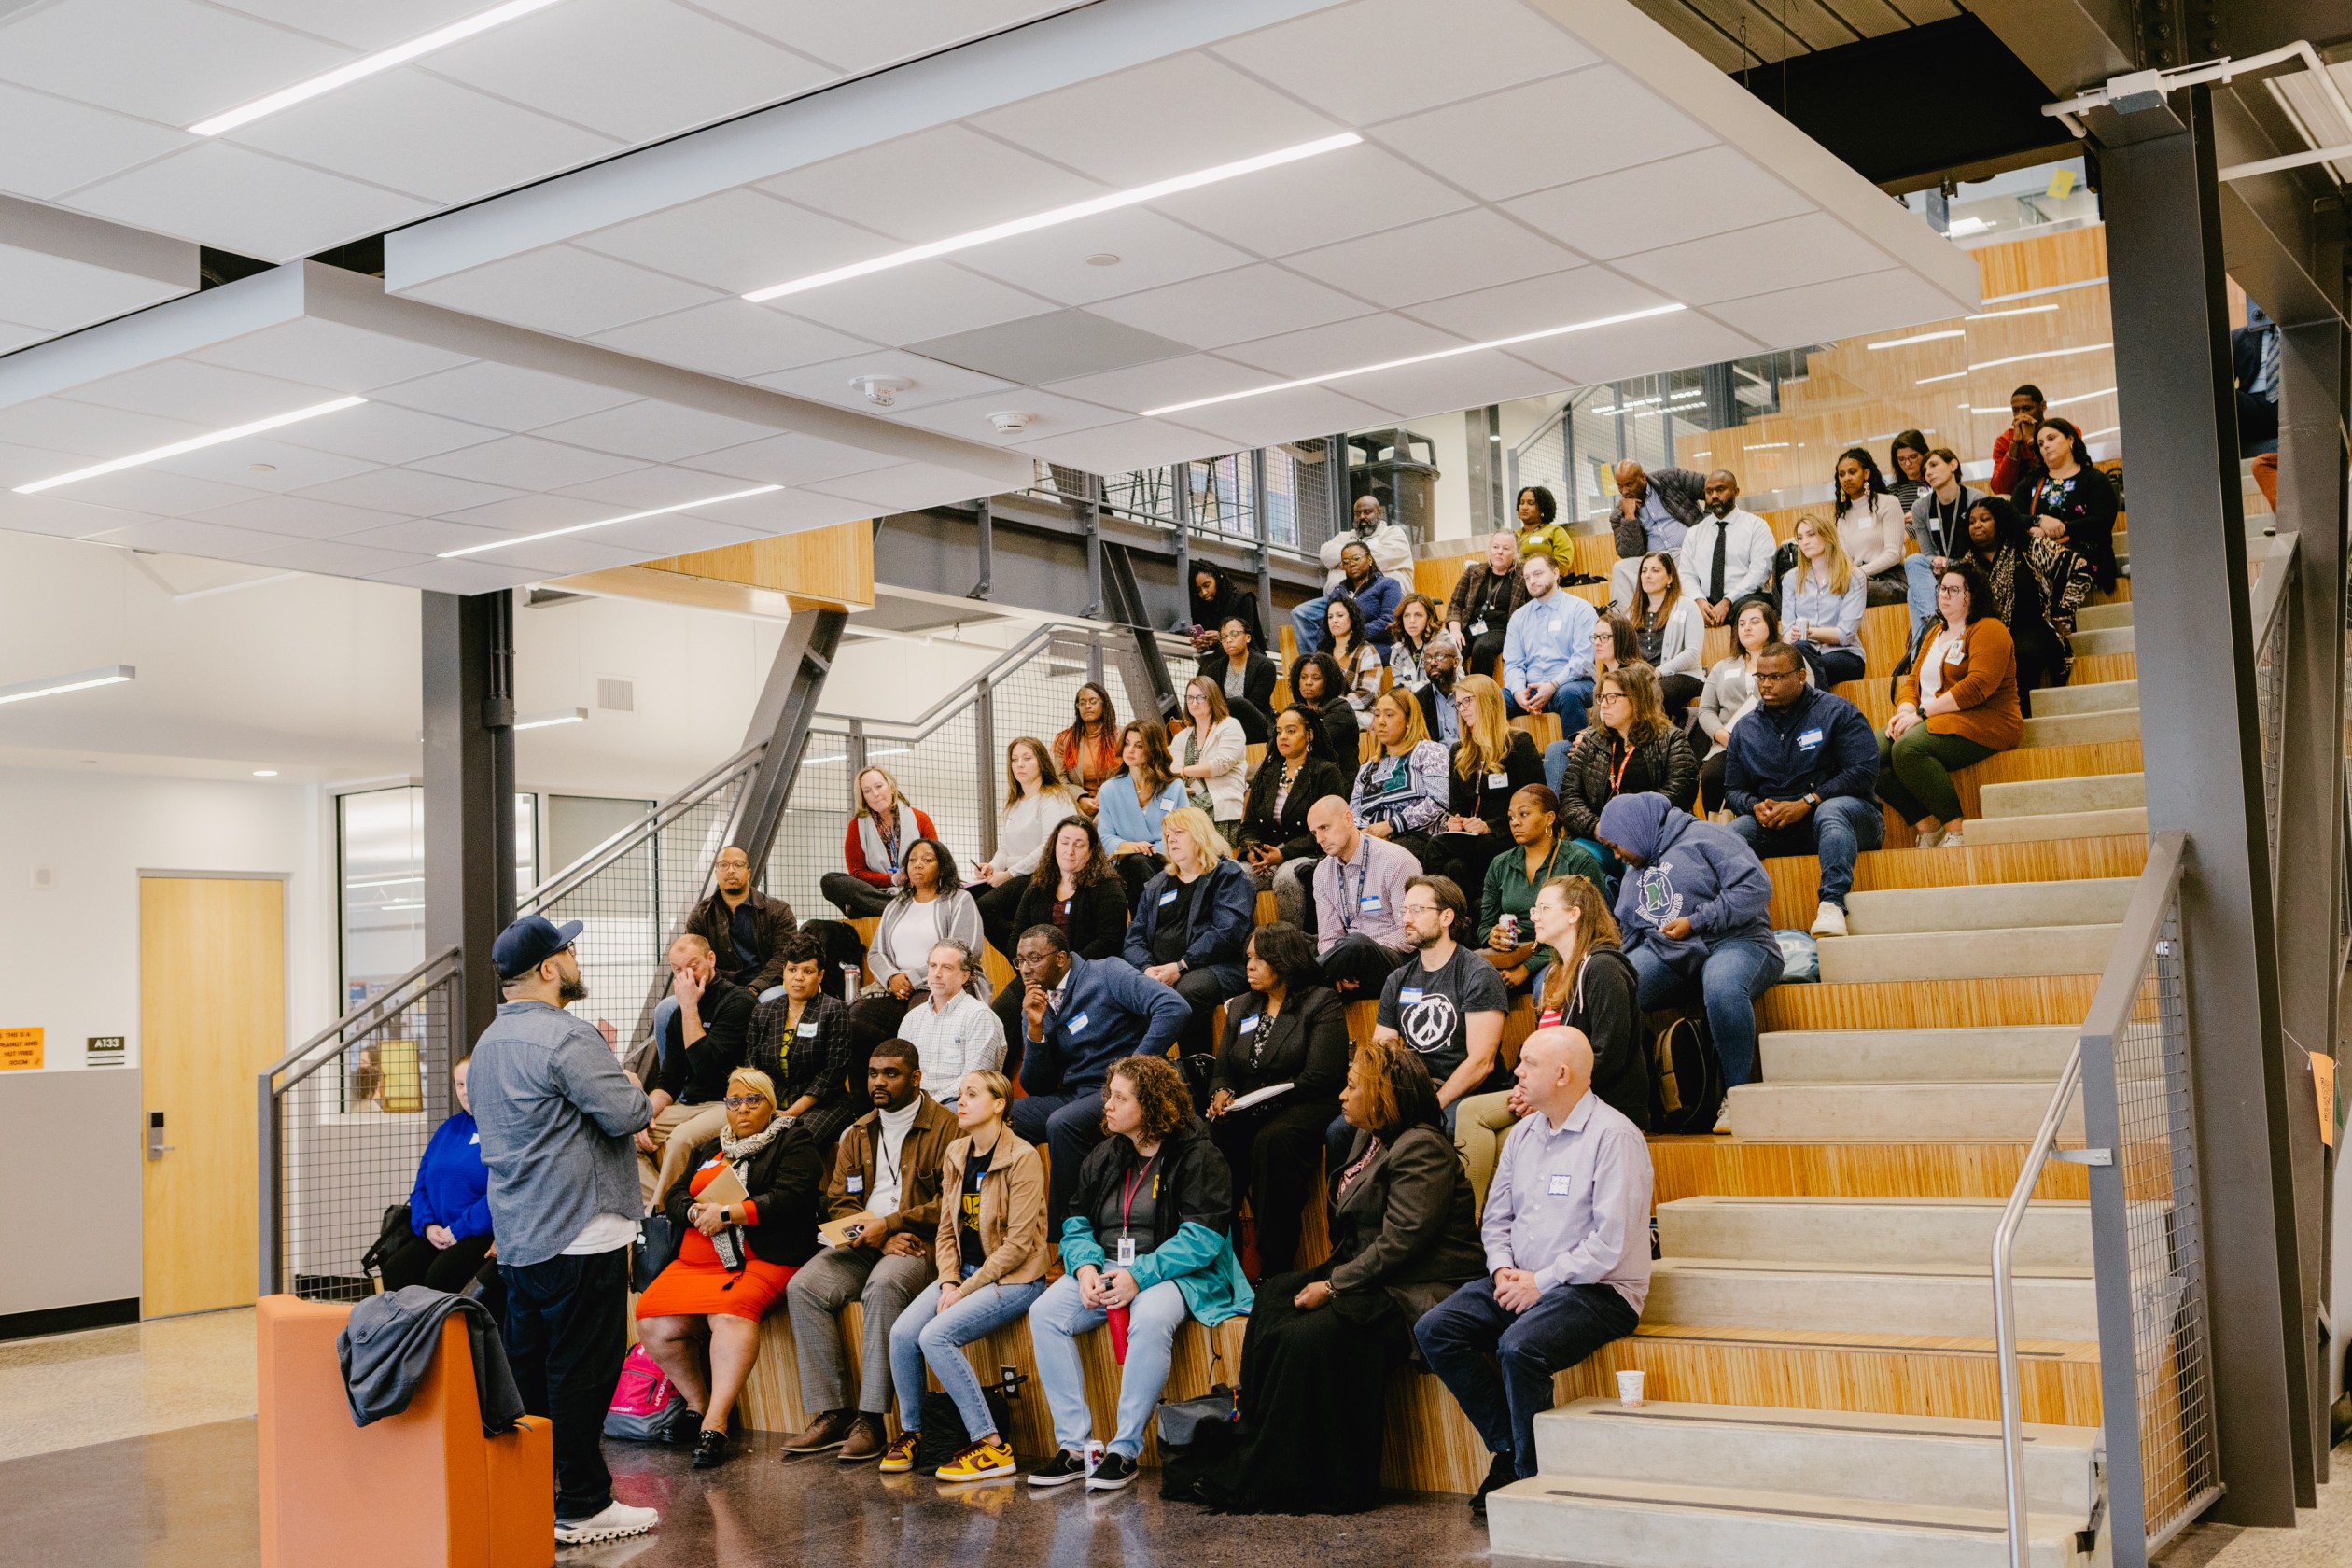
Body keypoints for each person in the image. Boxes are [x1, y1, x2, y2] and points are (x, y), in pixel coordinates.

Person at [1183, 1040, 1482, 1515]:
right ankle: (1258, 1445)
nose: (1341, 1096)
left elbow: (1401, 1243)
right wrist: (1329, 1278)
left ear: (1383, 1095)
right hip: (1374, 1272)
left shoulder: (1422, 1147)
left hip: (1418, 1286)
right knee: (1274, 1297)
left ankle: (1311, 1479)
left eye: (1351, 1086)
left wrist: (1334, 1284)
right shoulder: (1369, 1137)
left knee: (1313, 1335)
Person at [467, 914, 658, 1547]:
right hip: (582, 1230)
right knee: (585, 1371)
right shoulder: (568, 1037)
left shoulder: (490, 1042)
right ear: (549, 969)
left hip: (522, 1235)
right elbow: (626, 1112)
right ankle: (583, 1502)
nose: (576, 960)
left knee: (535, 1373)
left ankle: (535, 1494)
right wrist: (632, 1082)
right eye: (569, 952)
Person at [1415, 1026, 1652, 1512]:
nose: (1517, 1071)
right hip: (1523, 1278)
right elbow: (1496, 1216)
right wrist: (1503, 1271)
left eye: (1528, 1063)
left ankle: (1529, 1482)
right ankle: (1511, 1449)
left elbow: (1611, 1243)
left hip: (1599, 1289)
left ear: (1562, 1074)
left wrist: (1540, 1283)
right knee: (1436, 1329)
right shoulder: (1523, 1133)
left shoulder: (1615, 1137)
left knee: (1518, 1348)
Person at [1025, 1055, 1252, 1494]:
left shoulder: (1199, 1154)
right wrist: (1086, 1267)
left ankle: (1124, 1450)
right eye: (1109, 1094)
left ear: (1150, 1105)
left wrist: (1139, 1276)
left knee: (1149, 1317)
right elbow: (1075, 1224)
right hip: (1109, 1267)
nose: (1106, 1104)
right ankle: (1074, 1448)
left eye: (1119, 1097)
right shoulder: (1105, 1154)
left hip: (1178, 1272)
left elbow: (1202, 1240)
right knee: (1045, 1311)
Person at [635, 1067, 823, 1470]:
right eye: (733, 1101)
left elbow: (793, 1197)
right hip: (696, 1263)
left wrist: (731, 1213)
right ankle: (697, 1404)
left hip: (763, 1258)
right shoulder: (710, 1148)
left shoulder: (793, 1139)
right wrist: (696, 1210)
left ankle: (716, 1425)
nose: (741, 1109)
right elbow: (674, 1195)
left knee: (729, 1313)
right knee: (652, 1321)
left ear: (770, 1104)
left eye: (752, 1100)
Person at [778, 1041, 959, 1463]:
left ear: (915, 1078)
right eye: (874, 1072)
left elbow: (949, 1202)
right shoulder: (857, 1131)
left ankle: (871, 1418)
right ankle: (834, 1412)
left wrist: (891, 1226)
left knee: (884, 1285)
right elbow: (839, 1202)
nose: (879, 1081)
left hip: (920, 1243)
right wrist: (874, 1234)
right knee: (803, 1287)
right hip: (865, 1240)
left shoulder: (948, 1127)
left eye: (891, 1073)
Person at [879, 1069, 1051, 1484]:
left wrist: (964, 1289)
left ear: (998, 1104)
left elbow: (1017, 1246)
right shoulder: (957, 1151)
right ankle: (917, 1431)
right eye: (959, 1094)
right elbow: (945, 1230)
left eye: (972, 1094)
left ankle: (991, 1445)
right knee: (903, 1334)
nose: (962, 1101)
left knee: (935, 1335)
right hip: (966, 1276)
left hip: (1015, 1279)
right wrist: (949, 1280)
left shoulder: (1022, 1158)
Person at [1455, 876, 1643, 1213]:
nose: (1534, 917)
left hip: (1600, 1099)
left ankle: (1470, 1235)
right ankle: (1493, 1234)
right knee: (1500, 1140)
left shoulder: (1602, 968)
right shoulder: (1556, 972)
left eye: (1544, 908)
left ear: (1574, 914)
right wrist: (1523, 1085)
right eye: (1534, 908)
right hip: (1555, 1092)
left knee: (1470, 1112)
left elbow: (1608, 1055)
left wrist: (1542, 1095)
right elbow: (1538, 1051)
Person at [1596, 793, 1782, 1092]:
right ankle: (1635, 1099)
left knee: (1722, 983)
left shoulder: (1708, 837)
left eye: (1616, 846)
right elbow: (1630, 932)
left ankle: (1736, 1095)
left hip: (1739, 941)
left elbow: (1755, 888)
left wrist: (1696, 921)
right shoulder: (1635, 867)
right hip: (1671, 954)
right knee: (1614, 988)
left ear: (1634, 829)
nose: (1617, 855)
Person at [1008, 924, 1191, 1223]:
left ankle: (1068, 1238)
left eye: (1034, 958)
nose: (1025, 969)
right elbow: (1035, 1084)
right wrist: (1036, 1029)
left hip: (1115, 1090)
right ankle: (1008, 1232)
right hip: (1074, 1093)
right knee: (1003, 1118)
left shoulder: (1106, 972)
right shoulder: (1037, 1000)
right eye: (1020, 961)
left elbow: (1172, 1007)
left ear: (1061, 958)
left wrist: (1133, 1073)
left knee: (1062, 1124)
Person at [1202, 921, 1350, 1279]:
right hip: (1248, 1106)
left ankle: (1275, 1265)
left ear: (1283, 961)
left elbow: (1321, 1076)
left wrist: (1259, 1101)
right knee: (1210, 1138)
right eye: (1248, 958)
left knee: (1273, 1141)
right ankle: (1219, 1260)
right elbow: (1222, 1070)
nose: (1249, 966)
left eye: (1258, 959)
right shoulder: (1241, 1006)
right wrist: (1221, 1094)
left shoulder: (1320, 1001)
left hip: (1304, 1102)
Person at [1724, 641, 1882, 939]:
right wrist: (1754, 805)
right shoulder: (1745, 729)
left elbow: (1863, 771)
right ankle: (1734, 919)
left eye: (1776, 677)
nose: (1766, 684)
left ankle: (1832, 904)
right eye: (1761, 677)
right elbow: (1733, 789)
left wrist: (1809, 801)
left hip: (1849, 820)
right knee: (1729, 836)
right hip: (1779, 824)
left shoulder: (1837, 711)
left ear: (1800, 676)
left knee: (1831, 811)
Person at [1880, 559, 2023, 850]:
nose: (1944, 595)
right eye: (1942, 589)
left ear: (1973, 594)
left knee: (1908, 748)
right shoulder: (1935, 632)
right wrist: (1906, 709)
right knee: (1864, 755)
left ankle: (1957, 831)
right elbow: (1913, 680)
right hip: (1932, 718)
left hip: (1985, 720)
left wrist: (1920, 714)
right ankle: (1927, 826)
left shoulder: (1989, 629)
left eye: (1953, 590)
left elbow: (1977, 687)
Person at [1366, 875, 1508, 1141]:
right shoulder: (1397, 979)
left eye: (1418, 910)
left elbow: (1481, 1064)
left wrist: (1431, 1105)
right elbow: (1382, 1050)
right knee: (1343, 1129)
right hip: (1417, 1088)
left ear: (1446, 917)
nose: (1407, 918)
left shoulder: (1477, 974)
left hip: (1470, 1091)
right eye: (1405, 910)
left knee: (1444, 1126)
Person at [1123, 806, 1256, 1079]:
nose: (1171, 840)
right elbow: (1134, 938)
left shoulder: (1227, 875)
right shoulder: (1158, 883)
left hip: (1219, 967)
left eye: (1179, 833)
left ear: (1200, 835)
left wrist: (1182, 965)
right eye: (1167, 834)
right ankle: (1150, 1076)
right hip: (1161, 971)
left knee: (1188, 990)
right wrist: (1147, 969)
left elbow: (1227, 932)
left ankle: (1197, 1072)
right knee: (1120, 990)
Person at [994, 817, 1131, 1066]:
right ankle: (994, 1086)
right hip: (1036, 976)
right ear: (1053, 846)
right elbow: (1017, 935)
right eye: (1064, 842)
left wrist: (1064, 969)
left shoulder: (1108, 887)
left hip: (1085, 978)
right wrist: (1032, 966)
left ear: (1091, 851)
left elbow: (1110, 941)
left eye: (1079, 845)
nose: (1070, 850)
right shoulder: (1038, 885)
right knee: (1000, 1016)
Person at [1547, 663, 1700, 875]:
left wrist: (1631, 831)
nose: (1604, 706)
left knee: (1635, 867)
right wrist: (1598, 827)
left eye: (1612, 698)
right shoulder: (1592, 741)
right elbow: (1570, 798)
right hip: (1602, 838)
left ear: (1636, 700)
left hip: (1651, 839)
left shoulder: (1670, 739)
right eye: (1601, 698)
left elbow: (1678, 795)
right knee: (1572, 860)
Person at [639, 933, 757, 1208]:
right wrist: (644, 1114)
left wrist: (690, 1005)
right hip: (691, 1102)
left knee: (681, 1138)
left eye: (693, 966)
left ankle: (657, 1219)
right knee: (624, 1135)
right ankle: (658, 1204)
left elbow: (706, 1067)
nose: (686, 976)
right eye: (678, 970)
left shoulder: (738, 1003)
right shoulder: (679, 1012)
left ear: (711, 959)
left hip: (729, 1101)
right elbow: (669, 1079)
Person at [847, 838, 986, 1059]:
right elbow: (876, 952)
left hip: (939, 986)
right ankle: (863, 1094)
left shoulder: (960, 900)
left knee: (921, 1023)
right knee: (854, 1023)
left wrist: (913, 978)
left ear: (942, 868)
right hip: (895, 987)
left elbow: (966, 950)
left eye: (927, 860)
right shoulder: (895, 905)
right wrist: (893, 978)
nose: (918, 865)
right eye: (912, 860)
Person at [380, 1056, 494, 1293]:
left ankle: (443, 1330)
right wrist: (427, 1225)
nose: (465, 1091)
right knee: (397, 1269)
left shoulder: (503, 1130)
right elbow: (421, 1185)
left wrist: (459, 1229)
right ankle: (408, 1331)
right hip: (438, 1232)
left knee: (440, 1277)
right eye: (460, 1084)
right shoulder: (449, 1129)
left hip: (478, 1233)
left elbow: (501, 1192)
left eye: (471, 1082)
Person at [1476, 785, 1604, 992]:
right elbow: (1484, 926)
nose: (1515, 822)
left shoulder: (1578, 861)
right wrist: (1493, 935)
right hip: (1512, 955)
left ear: (1549, 818)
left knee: (1544, 989)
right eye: (1511, 817)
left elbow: (1590, 929)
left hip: (1562, 952)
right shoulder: (1500, 864)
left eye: (1524, 814)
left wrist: (1528, 968)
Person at [745, 932, 861, 1153]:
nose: (798, 977)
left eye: (808, 971)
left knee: (792, 1144)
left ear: (820, 976)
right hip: (773, 1104)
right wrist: (764, 1110)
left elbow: (832, 1074)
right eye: (792, 970)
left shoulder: (833, 1010)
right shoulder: (764, 1011)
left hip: (824, 1106)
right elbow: (752, 1068)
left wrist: (790, 1113)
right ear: (783, 972)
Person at [1431, 673, 1546, 895]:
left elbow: (1537, 803)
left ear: (1487, 701)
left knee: (1436, 845)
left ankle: (1431, 910)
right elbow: (1456, 807)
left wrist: (1490, 826)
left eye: (1468, 700)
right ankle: (1468, 920)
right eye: (1459, 703)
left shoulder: (1517, 743)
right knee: (1454, 867)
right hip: (1473, 840)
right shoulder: (1459, 751)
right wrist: (1457, 822)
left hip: (1508, 835)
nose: (1462, 708)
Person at [1239, 704, 1350, 928]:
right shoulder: (1267, 772)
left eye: (1291, 730)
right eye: (1279, 731)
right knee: (1234, 875)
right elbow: (1249, 825)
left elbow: (1329, 828)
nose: (1283, 737)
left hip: (1309, 852)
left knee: (1287, 879)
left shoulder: (1325, 772)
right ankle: (1248, 948)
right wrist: (1252, 850)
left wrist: (1284, 853)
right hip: (1267, 858)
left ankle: (1297, 945)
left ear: (1309, 734)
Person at [971, 737, 1082, 961]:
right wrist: (992, 867)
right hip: (1016, 875)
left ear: (1040, 762)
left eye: (1027, 758)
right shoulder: (1015, 802)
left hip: (1043, 875)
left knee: (986, 906)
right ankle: (1030, 957)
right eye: (1014, 759)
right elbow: (1004, 848)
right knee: (968, 899)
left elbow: (1048, 848)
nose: (1019, 764)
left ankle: (1029, 959)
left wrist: (1010, 874)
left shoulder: (1053, 797)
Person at [1955, 494, 2067, 708]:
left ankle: (2016, 717)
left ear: (2000, 521)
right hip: (1984, 634)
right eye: (1971, 522)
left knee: (2016, 653)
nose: (1976, 525)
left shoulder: (2027, 547)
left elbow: (2078, 569)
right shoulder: (1965, 565)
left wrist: (2063, 612)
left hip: (2032, 629)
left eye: (1984, 519)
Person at [1695, 595, 1800, 815]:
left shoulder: (1789, 660)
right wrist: (1722, 735)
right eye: (1741, 624)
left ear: (1770, 627)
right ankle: (1720, 837)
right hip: (1729, 744)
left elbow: (1803, 696)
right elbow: (1706, 710)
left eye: (1754, 622)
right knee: (1713, 776)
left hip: (1774, 741)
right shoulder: (1722, 667)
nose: (1746, 628)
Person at [1306, 795, 1418, 995]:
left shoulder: (1396, 861)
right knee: (1278, 940)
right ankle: (1319, 979)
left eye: (1324, 828)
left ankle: (1296, 987)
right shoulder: (1322, 871)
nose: (1319, 839)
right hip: (1348, 956)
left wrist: (1361, 950)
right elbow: (1328, 936)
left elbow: (1409, 932)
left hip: (1397, 958)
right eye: (1314, 832)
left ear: (1348, 819)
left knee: (1355, 943)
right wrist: (1340, 968)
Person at [1293, 493, 1414, 652]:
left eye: (1367, 512)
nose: (1362, 517)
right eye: (1357, 513)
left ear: (1379, 513)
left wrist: (1341, 562)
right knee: (1301, 613)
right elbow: (1325, 554)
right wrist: (1357, 557)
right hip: (1340, 596)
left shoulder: (1393, 533)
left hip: (1376, 597)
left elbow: (1387, 555)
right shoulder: (1345, 536)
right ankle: (1316, 663)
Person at [1350, 687, 1449, 870]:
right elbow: (1354, 815)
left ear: (1409, 720)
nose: (1380, 722)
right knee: (1327, 865)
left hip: (1420, 838)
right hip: (1372, 841)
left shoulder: (1429, 751)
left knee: (1382, 859)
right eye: (1377, 715)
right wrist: (1366, 834)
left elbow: (1439, 801)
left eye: (1389, 715)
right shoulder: (1366, 768)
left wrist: (1392, 825)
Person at [2016, 415, 2119, 592]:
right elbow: (2010, 516)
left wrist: (2057, 530)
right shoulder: (2032, 481)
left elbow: (2102, 522)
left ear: (2070, 439)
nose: (2045, 446)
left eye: (2051, 438)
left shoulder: (2094, 479)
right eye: (2040, 444)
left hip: (2086, 556)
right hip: (2041, 559)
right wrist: (2038, 521)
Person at [1501, 547, 1599, 731]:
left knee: (1568, 694)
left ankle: (1577, 755)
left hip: (1572, 683)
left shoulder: (1580, 609)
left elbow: (1582, 660)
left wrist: (1553, 685)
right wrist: (1518, 692)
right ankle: (1495, 758)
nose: (1532, 581)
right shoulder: (1519, 617)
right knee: (1494, 699)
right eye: (1527, 577)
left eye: (1537, 574)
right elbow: (1513, 663)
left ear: (1555, 574)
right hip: (1530, 690)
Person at [897, 941, 1006, 1105]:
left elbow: (974, 1082)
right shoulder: (912, 1018)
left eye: (947, 968)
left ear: (965, 976)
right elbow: (903, 1071)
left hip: (961, 1102)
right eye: (933, 966)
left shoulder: (979, 1016)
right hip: (916, 1103)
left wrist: (928, 1106)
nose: (937, 974)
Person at [821, 766, 937, 919]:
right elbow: (857, 873)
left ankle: (894, 907)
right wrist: (891, 879)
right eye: (867, 791)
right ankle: (898, 908)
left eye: (879, 786)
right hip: (878, 894)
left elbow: (936, 861)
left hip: (916, 890)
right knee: (830, 881)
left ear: (891, 787)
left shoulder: (920, 818)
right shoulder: (856, 825)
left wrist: (913, 875)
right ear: (863, 796)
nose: (875, 794)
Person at [1097, 720, 1192, 905]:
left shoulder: (1174, 786)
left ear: (1153, 749)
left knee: (1144, 862)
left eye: (1138, 745)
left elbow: (1186, 831)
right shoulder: (1109, 789)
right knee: (1137, 863)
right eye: (1127, 743)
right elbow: (1105, 837)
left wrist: (1151, 850)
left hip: (1168, 859)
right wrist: (1131, 846)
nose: (1130, 750)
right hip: (1128, 863)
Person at [682, 845, 796, 996]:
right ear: (716, 873)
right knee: (665, 1009)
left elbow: (784, 957)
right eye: (723, 865)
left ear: (748, 872)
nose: (730, 870)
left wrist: (754, 988)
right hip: (718, 987)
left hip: (765, 986)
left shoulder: (778, 910)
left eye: (738, 864)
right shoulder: (701, 914)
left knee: (769, 1000)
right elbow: (693, 958)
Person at [1675, 470, 1774, 629]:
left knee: (1746, 609)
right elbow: (1686, 574)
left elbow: (1759, 572)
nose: (1714, 496)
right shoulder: (1694, 533)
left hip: (1746, 598)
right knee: (1679, 612)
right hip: (1706, 602)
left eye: (1720, 490)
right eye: (1709, 491)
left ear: (1736, 492)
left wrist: (1728, 600)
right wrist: (1699, 601)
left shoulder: (1756, 526)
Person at [1903, 446, 1982, 644]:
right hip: (1939, 570)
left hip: (1970, 565)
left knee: (1913, 594)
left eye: (1934, 465)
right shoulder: (1920, 507)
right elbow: (1927, 552)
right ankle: (1937, 622)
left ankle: (1924, 647)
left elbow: (1984, 547)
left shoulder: (1976, 499)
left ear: (1953, 465)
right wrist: (1935, 561)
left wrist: (1952, 562)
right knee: (1914, 560)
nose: (1928, 472)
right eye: (1925, 470)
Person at [1780, 513, 1868, 688]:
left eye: (1811, 534)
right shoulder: (1791, 579)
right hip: (1802, 653)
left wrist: (1808, 632)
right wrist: (1790, 636)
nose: (1804, 542)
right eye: (1800, 538)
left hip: (1844, 655)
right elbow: (1787, 631)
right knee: (1801, 655)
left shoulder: (1854, 577)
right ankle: (1822, 709)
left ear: (1827, 535)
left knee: (1802, 666)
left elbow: (1845, 634)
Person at [1606, 459, 1703, 610]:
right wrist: (1629, 517)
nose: (1624, 491)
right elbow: (1630, 554)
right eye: (1620, 486)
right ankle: (1624, 627)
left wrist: (1709, 527)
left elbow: (1711, 485)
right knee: (1620, 568)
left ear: (1643, 478)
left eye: (1629, 484)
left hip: (1690, 551)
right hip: (1655, 561)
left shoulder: (1673, 478)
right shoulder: (1619, 514)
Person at [1629, 550, 1705, 717]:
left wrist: (1659, 671)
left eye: (1655, 570)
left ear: (1670, 578)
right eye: (1644, 571)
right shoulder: (1633, 613)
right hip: (1644, 678)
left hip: (1683, 675)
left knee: (1656, 693)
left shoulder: (1687, 606)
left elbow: (1692, 653)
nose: (1648, 575)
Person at [1170, 675, 1248, 835]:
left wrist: (1185, 771)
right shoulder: (1182, 736)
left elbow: (1221, 765)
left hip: (1222, 799)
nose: (1194, 703)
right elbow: (1173, 767)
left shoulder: (1230, 725)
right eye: (1190, 698)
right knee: (1162, 806)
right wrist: (1180, 772)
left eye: (1200, 697)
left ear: (1212, 698)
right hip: (1190, 796)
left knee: (1184, 816)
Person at [1831, 446, 1907, 606]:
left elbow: (1893, 554)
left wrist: (1858, 574)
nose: (1846, 478)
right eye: (1842, 474)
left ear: (1866, 473)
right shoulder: (1843, 517)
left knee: (1847, 595)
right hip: (1859, 581)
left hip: (1892, 579)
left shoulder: (1889, 503)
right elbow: (1846, 562)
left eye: (1852, 472)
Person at [1447, 530, 1525, 676]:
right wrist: (1455, 631)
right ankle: (1455, 692)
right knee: (1449, 649)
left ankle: (1479, 693)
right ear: (1489, 549)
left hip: (1501, 630)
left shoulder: (1523, 576)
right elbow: (1455, 604)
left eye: (1506, 548)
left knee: (1482, 647)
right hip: (1471, 628)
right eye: (1495, 547)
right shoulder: (1473, 572)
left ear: (1515, 553)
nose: (1499, 552)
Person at [1196, 614, 1279, 744]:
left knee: (1239, 704)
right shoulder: (1214, 668)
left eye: (1234, 634)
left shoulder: (1265, 665)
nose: (1228, 640)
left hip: (1256, 724)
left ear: (1248, 637)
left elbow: (1256, 703)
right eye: (1223, 637)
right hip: (1223, 725)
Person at [1054, 682, 1123, 818]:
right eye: (1082, 703)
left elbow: (1129, 774)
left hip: (1115, 802)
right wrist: (1080, 798)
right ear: (1077, 707)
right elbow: (1059, 778)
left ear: (1104, 704)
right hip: (1078, 806)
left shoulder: (1121, 736)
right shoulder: (1065, 740)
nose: (1088, 706)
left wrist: (1105, 794)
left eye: (1093, 701)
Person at [1289, 651, 1361, 765]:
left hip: (1339, 780)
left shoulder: (1341, 710)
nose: (1308, 683)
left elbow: (1312, 742)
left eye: (1316, 678)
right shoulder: (1295, 711)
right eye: (1303, 677)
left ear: (1328, 682)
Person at [1322, 592, 1386, 711]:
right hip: (1326, 712)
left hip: (1360, 712)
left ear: (1352, 619)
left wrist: (1334, 707)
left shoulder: (1366, 651)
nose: (1334, 620)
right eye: (1330, 617)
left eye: (1340, 615)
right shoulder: (1323, 654)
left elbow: (1367, 694)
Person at [1185, 562, 1263, 653]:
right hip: (1217, 661)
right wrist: (1203, 645)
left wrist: (1221, 636)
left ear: (1217, 579)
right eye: (1198, 590)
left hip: (1247, 659)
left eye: (1206, 585)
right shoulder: (1200, 609)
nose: (1204, 592)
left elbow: (1246, 635)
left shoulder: (1243, 600)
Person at [1989, 383, 2048, 497]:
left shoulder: (2061, 430)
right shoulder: (2005, 440)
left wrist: (2032, 442)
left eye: (2027, 409)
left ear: (2043, 406)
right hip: (2021, 500)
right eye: (2015, 410)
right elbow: (2001, 489)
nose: (2020, 416)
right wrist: (2015, 444)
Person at [1387, 594, 1445, 693]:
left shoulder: (1443, 641)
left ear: (1429, 617)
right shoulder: (1397, 650)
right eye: (1407, 616)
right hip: (1413, 703)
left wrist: (1410, 689)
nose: (1412, 621)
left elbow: (1441, 681)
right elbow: (1399, 688)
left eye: (1418, 615)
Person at [1416, 633, 1464, 746]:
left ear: (1456, 662)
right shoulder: (1419, 699)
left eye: (1439, 657)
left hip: (1468, 757)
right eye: (1427, 659)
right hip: (1436, 759)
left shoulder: (1473, 692)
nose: (1432, 663)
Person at [1514, 483, 1575, 567]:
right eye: (1521, 503)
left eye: (1531, 503)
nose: (1524, 507)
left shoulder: (1555, 532)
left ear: (1543, 508)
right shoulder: (1513, 534)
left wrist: (1538, 575)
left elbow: (1563, 561)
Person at [1886, 428, 1930, 512]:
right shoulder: (1891, 491)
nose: (1907, 464)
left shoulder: (1936, 484)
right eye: (1901, 459)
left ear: (1924, 454)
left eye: (1913, 457)